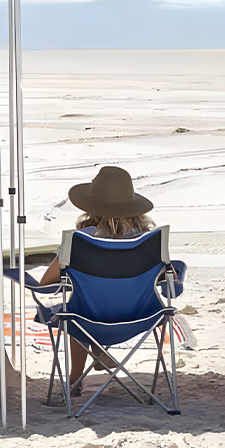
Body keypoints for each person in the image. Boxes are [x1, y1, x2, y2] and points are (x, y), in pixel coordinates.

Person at [38, 165, 157, 391]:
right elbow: (164, 277)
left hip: (88, 321)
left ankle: (75, 379)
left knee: (74, 312)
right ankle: (96, 351)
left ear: (91, 207)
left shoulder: (80, 241)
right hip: (139, 318)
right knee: (83, 309)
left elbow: (46, 282)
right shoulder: (148, 243)